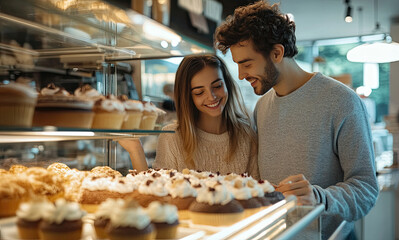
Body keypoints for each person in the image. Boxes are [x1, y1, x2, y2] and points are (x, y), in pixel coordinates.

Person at [214, 1, 378, 239]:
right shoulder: (262, 108)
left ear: (277, 53)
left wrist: (319, 197)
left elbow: (366, 189)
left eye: (246, 63)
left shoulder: (342, 101)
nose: (240, 75)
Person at [120, 54, 259, 178]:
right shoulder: (172, 136)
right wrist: (136, 150)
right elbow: (158, 194)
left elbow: (260, 193)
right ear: (187, 97)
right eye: (199, 92)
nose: (212, 97)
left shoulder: (247, 134)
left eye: (217, 86)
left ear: (227, 84)